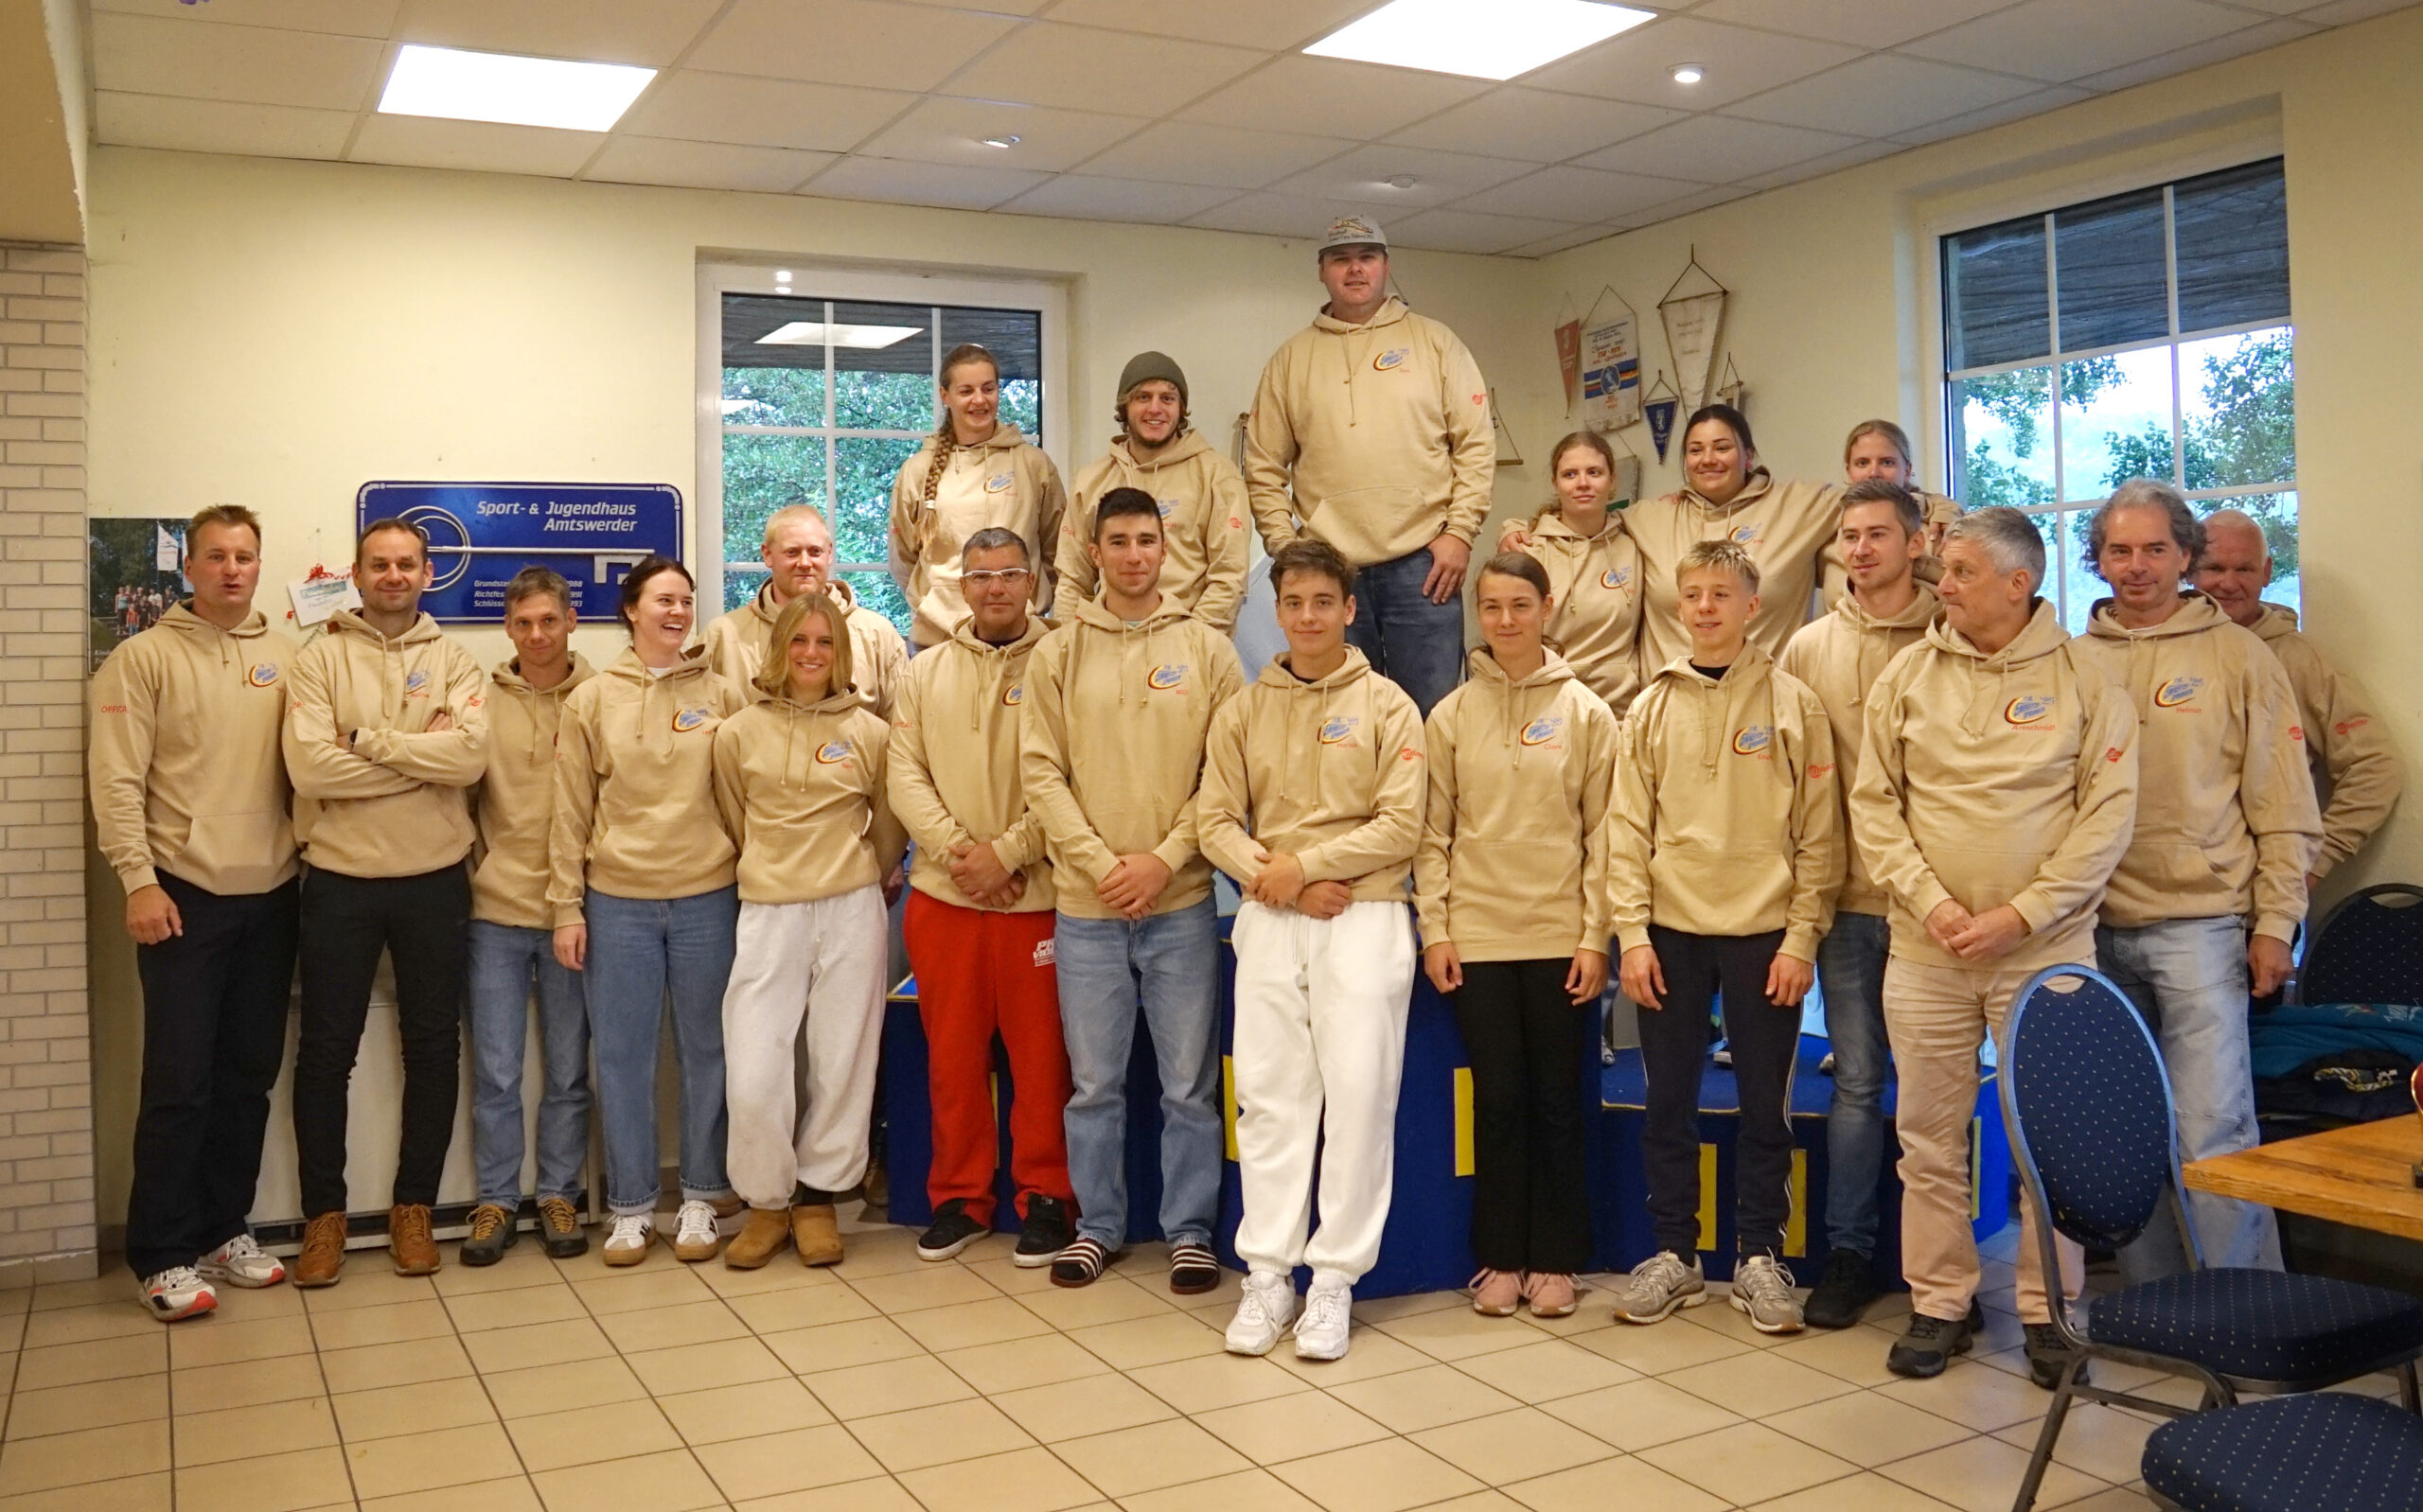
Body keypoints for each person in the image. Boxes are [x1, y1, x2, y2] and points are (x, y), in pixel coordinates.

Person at [1851, 506, 2139, 1385]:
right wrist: (1933, 904)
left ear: (2020, 583)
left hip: (2044, 953)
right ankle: (1941, 1304)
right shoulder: (1907, 673)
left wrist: (2023, 914)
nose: (1945, 583)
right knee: (1928, 1136)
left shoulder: (2089, 678)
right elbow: (1874, 804)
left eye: (1964, 571)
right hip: (1927, 950)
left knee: (2048, 1141)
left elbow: (2108, 817)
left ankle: (2050, 1314)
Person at [2068, 481, 2321, 1277]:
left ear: (2185, 555)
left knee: (2216, 1127)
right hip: (2089, 928)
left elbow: (2285, 800)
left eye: (2154, 550)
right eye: (2119, 550)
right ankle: (2163, 1311)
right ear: (2098, 560)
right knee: (2124, 1126)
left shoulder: (2239, 657)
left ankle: (2249, 1315)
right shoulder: (2070, 661)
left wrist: (2276, 923)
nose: (2136, 567)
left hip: (2202, 927)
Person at [1607, 538, 1841, 1334]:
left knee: (1762, 1107)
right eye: (1693, 594)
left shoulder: (1792, 704)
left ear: (1752, 606)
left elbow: (1819, 835)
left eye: (1722, 595)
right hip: (1669, 932)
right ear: (1680, 606)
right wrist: (1630, 935)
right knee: (1666, 1099)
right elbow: (1625, 829)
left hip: (1763, 934)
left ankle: (1757, 1258)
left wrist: (1801, 938)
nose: (1705, 607)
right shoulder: (1651, 707)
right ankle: (1675, 1254)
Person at [1199, 539, 1424, 1363]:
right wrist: (1282, 879)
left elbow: (1401, 824)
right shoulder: (1244, 710)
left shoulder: (1391, 706)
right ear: (1278, 611)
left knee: (1359, 1098)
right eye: (1292, 603)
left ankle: (1333, 1282)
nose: (1307, 617)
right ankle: (1268, 1275)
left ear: (1348, 609)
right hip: (1269, 917)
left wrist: (1309, 867)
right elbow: (1213, 821)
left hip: (1363, 918)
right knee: (1268, 1099)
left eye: (1322, 602)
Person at [1022, 487, 1245, 1292]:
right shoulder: (1057, 651)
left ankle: (1188, 1230)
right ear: (1093, 550)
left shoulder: (1208, 650)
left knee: (1189, 1086)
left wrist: (1162, 859)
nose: (1133, 554)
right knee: (1094, 1086)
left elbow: (1226, 777)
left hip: (1181, 904)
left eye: (1146, 540)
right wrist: (1099, 865)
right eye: (1117, 541)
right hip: (1085, 909)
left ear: (1165, 546)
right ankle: (1099, 1227)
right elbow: (1040, 773)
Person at [93, 504, 301, 1319]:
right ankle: (163, 1252)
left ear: (258, 564)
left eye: (245, 556)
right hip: (181, 896)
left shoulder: (288, 658)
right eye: (216, 556)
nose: (232, 569)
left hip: (275, 895)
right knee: (179, 1083)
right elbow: (115, 781)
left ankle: (223, 1227)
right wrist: (137, 881)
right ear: (191, 566)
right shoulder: (142, 659)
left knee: (246, 1080)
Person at [282, 519, 486, 1286]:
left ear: (427, 572)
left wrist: (363, 740)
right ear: (358, 575)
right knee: (326, 1054)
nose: (394, 576)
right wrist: (417, 757)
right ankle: (323, 1220)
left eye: (407, 564)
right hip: (338, 881)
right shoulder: (319, 659)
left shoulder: (457, 658)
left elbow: (469, 757)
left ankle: (415, 1213)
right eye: (379, 565)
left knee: (433, 1048)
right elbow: (310, 771)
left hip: (435, 879)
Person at [1415, 553, 1618, 1320]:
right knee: (1498, 1102)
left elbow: (1607, 837)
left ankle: (1558, 1261)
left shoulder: (1587, 714)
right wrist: (1436, 929)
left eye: (1519, 605)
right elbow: (1431, 836)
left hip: (1562, 939)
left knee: (1559, 1102)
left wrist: (1596, 937)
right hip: (1478, 940)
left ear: (1547, 607)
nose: (1505, 620)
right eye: (1492, 606)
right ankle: (1501, 1256)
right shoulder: (1451, 715)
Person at [550, 555, 747, 1266]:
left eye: (686, 601)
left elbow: (743, 798)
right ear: (631, 609)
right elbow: (570, 813)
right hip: (618, 904)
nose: (677, 612)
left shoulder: (725, 693)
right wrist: (566, 908)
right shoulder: (592, 699)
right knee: (625, 1057)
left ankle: (700, 1197)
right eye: (663, 600)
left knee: (708, 1051)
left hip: (707, 896)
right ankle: (631, 1208)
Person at [1776, 481, 1939, 1329]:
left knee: (1930, 1092)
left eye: (1879, 534)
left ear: (1917, 544)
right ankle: (1846, 1253)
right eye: (1849, 536)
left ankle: (1932, 1275)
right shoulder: (1807, 649)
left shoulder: (1952, 638)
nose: (1862, 549)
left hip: (1931, 907)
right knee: (1858, 1084)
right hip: (1843, 901)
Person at [890, 528, 1076, 1267]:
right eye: (981, 575)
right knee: (953, 1059)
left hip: (1038, 895)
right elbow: (904, 775)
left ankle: (1047, 1200)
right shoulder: (923, 672)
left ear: (1033, 582)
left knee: (1042, 1064)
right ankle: (959, 1198)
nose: (995, 587)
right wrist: (961, 856)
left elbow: (1075, 771)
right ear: (959, 585)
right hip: (946, 896)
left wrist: (1010, 853)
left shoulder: (1062, 662)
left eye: (1010, 574)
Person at [713, 590, 907, 1268]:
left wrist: (862, 872)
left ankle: (821, 1197)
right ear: (779, 648)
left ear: (841, 652)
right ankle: (767, 1202)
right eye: (800, 641)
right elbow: (734, 817)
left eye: (825, 643)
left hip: (851, 904)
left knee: (842, 1059)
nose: (812, 654)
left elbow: (888, 825)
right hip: (769, 908)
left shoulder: (871, 733)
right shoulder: (739, 732)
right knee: (756, 1068)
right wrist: (772, 870)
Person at [1244, 216, 1494, 717]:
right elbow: (1262, 466)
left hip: (1425, 568)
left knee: (1433, 716)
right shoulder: (1290, 361)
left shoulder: (1436, 343)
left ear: (1386, 266)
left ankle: (1427, 802)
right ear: (1322, 271)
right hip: (1331, 572)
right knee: (1338, 715)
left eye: (1367, 257)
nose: (1355, 269)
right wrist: (1287, 548)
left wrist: (1461, 533)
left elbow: (1475, 444)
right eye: (1341, 258)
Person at [461, 568, 594, 1266]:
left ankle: (560, 1195)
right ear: (508, 629)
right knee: (497, 1073)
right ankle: (494, 1202)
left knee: (570, 1072)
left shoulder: (599, 698)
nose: (537, 635)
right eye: (523, 624)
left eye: (549, 620)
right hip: (496, 913)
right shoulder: (479, 700)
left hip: (574, 916)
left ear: (572, 620)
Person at [2195, 509, 2402, 888]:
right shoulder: (2162, 651)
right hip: (2152, 894)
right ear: (2189, 567)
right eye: (2215, 568)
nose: (2228, 583)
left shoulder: (2298, 659)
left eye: (2244, 569)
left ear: (2268, 572)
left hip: (2258, 895)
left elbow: (2375, 766)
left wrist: (2316, 860)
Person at [1627, 405, 1839, 671]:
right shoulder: (1651, 518)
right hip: (1672, 703)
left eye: (1722, 447)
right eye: (1695, 450)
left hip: (1766, 700)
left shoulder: (1800, 506)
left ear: (1748, 454)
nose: (1708, 459)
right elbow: (1585, 524)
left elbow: (1883, 505)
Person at [1052, 353, 1252, 633]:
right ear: (1125, 406)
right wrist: (1069, 646)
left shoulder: (1218, 476)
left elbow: (1228, 578)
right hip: (1106, 645)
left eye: (1167, 398)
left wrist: (1194, 645)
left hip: (1186, 647)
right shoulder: (1090, 481)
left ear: (1181, 408)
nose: (1155, 409)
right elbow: (1073, 579)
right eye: (1143, 397)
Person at [889, 343, 1069, 650]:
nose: (979, 400)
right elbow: (903, 559)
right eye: (966, 391)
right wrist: (936, 600)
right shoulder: (917, 470)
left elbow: (1059, 551)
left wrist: (1023, 599)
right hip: (938, 638)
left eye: (988, 388)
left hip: (1022, 640)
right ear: (945, 396)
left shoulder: (1034, 465)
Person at [1490, 431, 1646, 714]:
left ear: (1613, 481)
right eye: (1570, 474)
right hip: (1549, 709)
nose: (1583, 483)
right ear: (1555, 483)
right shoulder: (1530, 551)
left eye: (1594, 472)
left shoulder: (1635, 544)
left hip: (1619, 712)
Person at [706, 502, 908, 718]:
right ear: (767, 555)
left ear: (829, 553)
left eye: (815, 552)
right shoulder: (722, 636)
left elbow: (903, 728)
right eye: (792, 552)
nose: (804, 563)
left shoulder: (877, 635)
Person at [1840, 419, 1961, 554]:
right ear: (1849, 471)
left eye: (1887, 462)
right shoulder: (1829, 520)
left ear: (1907, 471)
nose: (1874, 473)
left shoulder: (1934, 531)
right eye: (1862, 463)